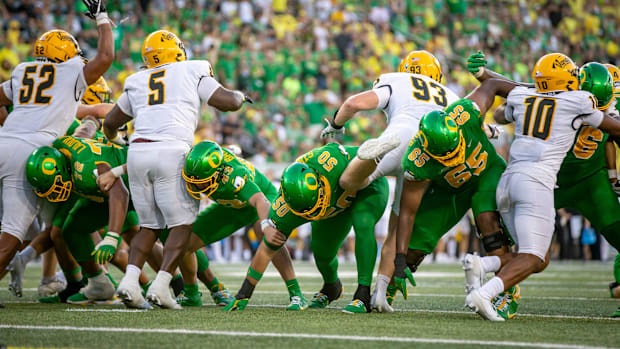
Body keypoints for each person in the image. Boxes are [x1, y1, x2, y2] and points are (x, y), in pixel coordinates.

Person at [104, 30, 251, 309]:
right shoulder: (192, 68)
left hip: (137, 151)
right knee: (182, 225)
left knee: (148, 226)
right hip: (172, 150)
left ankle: (130, 281)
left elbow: (110, 122)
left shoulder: (136, 79)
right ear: (177, 50)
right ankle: (161, 285)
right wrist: (241, 96)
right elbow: (226, 102)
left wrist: (117, 140)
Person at [467, 53, 620, 321]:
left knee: (538, 257)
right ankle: (488, 293)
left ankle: (482, 264)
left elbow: (505, 104)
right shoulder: (579, 100)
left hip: (513, 177)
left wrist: (485, 78)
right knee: (534, 256)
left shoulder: (528, 96)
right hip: (539, 181)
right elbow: (612, 128)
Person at [320, 50, 461, 312]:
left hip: (399, 134)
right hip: (427, 150)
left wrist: (336, 126)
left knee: (350, 181)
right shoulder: (451, 95)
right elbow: (478, 129)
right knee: (398, 227)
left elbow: (353, 104)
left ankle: (372, 157)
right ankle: (381, 295)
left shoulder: (397, 79)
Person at [0, 0, 113, 306]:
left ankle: (59, 278)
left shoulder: (23, 70)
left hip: (5, 140)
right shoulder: (70, 71)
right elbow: (105, 57)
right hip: (30, 154)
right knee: (11, 236)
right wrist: (102, 19)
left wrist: (8, 125)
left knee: (45, 226)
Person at [393, 77, 520, 319]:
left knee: (488, 225)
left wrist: (528, 94)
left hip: (485, 174)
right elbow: (407, 212)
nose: (452, 156)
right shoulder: (417, 160)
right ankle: (390, 283)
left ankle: (508, 289)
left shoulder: (464, 112)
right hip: (449, 190)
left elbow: (491, 84)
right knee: (412, 250)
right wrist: (399, 260)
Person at [223, 143, 389, 314]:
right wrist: (244, 293)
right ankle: (332, 287)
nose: (312, 212)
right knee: (322, 252)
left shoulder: (332, 163)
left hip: (367, 182)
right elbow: (267, 249)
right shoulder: (283, 210)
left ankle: (363, 294)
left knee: (363, 222)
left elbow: (363, 158)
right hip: (335, 203)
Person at [168, 140, 306, 309]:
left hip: (261, 198)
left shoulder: (235, 176)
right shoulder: (197, 163)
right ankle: (191, 293)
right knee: (184, 243)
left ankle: (296, 294)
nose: (195, 184)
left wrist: (266, 225)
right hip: (232, 205)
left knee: (270, 237)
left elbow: (260, 200)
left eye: (201, 180)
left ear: (217, 173)